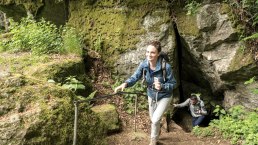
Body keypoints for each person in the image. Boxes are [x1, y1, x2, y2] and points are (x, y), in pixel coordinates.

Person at [114, 40, 176, 145]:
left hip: (165, 96)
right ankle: (157, 130)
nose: (149, 54)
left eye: (152, 52)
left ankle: (153, 141)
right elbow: (135, 76)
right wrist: (125, 84)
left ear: (158, 54)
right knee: (153, 120)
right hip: (151, 95)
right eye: (147, 52)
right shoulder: (144, 64)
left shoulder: (166, 67)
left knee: (155, 119)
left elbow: (173, 84)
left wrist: (162, 86)